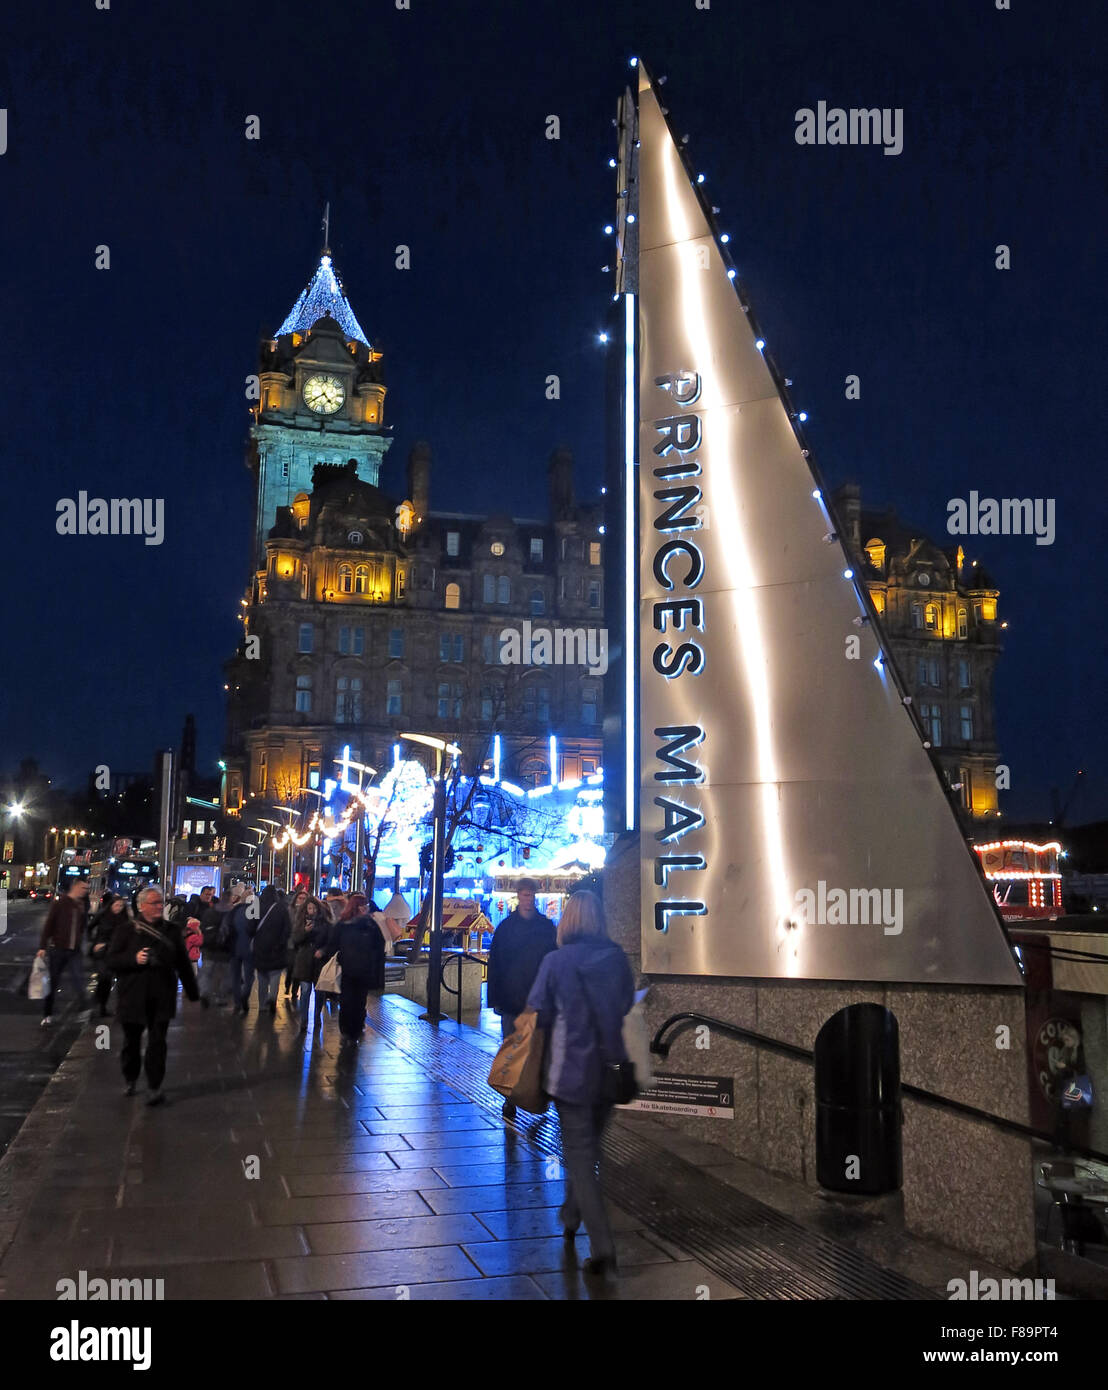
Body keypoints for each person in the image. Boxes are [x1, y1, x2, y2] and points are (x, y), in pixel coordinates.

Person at [525, 889, 634, 1280]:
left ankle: (603, 1248)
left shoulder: (556, 962)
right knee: (586, 1152)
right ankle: (572, 1214)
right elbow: (624, 1006)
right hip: (611, 1070)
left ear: (568, 919)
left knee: (581, 1158)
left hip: (570, 1074)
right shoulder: (617, 959)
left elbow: (537, 1010)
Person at [106, 885, 200, 1105]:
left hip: (161, 996)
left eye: (160, 902)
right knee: (131, 1042)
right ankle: (130, 1077)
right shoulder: (126, 930)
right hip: (132, 997)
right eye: (154, 903)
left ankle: (154, 1086)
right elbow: (111, 961)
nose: (159, 907)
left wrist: (193, 992)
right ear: (142, 906)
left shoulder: (171, 930)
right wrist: (134, 959)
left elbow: (183, 964)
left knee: (158, 1043)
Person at [486, 878, 557, 1118]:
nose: (529, 900)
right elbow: (495, 964)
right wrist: (495, 999)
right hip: (512, 1001)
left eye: (531, 896)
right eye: (525, 895)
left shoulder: (545, 927)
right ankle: (510, 1098)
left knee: (538, 1049)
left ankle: (535, 1096)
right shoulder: (507, 928)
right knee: (512, 1050)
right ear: (519, 896)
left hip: (537, 1002)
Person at [327, 893, 384, 1047]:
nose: (366, 908)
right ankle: (350, 1032)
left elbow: (379, 946)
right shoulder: (364, 925)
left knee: (355, 1003)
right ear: (357, 907)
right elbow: (333, 944)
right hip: (353, 970)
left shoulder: (364, 924)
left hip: (357, 971)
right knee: (352, 1002)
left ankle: (352, 1032)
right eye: (363, 905)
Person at [37, 877, 91, 1027]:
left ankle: (83, 1012)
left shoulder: (81, 905)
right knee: (53, 983)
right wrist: (42, 946)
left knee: (79, 981)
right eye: (83, 888)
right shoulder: (60, 903)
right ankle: (47, 1015)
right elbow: (49, 925)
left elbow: (81, 927)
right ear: (75, 887)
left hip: (74, 950)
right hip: (58, 949)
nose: (85, 892)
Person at [291, 895, 331, 1034]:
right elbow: (295, 940)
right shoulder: (301, 922)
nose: (312, 910)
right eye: (309, 908)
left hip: (319, 962)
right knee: (306, 990)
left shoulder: (325, 923)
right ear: (305, 909)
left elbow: (330, 942)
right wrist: (305, 932)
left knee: (319, 992)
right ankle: (304, 1020)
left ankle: (317, 1017)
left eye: (314, 908)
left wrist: (323, 950)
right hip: (305, 961)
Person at [87, 892, 129, 1017]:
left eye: (121, 906)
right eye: (117, 905)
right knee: (104, 977)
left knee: (112, 980)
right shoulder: (103, 915)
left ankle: (103, 1006)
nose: (118, 908)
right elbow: (89, 927)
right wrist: (95, 942)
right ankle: (99, 1004)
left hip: (116, 952)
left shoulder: (124, 918)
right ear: (111, 905)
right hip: (101, 953)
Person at [252, 884, 291, 1016]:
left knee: (262, 978)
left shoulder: (256, 906)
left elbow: (249, 926)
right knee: (275, 976)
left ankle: (262, 1005)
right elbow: (287, 929)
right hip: (277, 949)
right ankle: (272, 999)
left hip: (260, 948)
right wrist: (281, 943)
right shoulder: (281, 908)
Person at [197, 888, 234, 1008]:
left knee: (207, 972)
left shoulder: (210, 911)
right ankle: (221, 997)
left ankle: (204, 993)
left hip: (209, 947)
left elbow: (203, 927)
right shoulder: (232, 913)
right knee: (226, 974)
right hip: (226, 949)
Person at [228, 882, 258, 1013]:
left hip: (234, 948)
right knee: (249, 976)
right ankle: (245, 996)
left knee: (235, 976)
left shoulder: (235, 910)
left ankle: (237, 1002)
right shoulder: (254, 911)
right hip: (249, 949)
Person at [285, 888, 309, 999]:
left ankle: (295, 990)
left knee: (298, 968)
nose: (302, 900)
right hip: (291, 942)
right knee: (290, 966)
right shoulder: (290, 910)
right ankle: (287, 985)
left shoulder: (308, 912)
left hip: (302, 943)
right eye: (300, 898)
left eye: (304, 899)